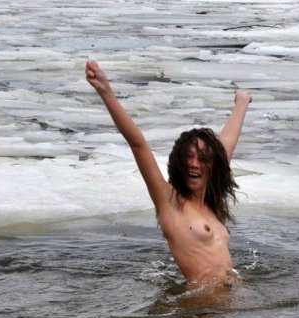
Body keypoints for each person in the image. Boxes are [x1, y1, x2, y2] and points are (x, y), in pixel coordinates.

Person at [85, 60, 252, 287]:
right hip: (200, 304)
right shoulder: (170, 202)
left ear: (212, 166)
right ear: (178, 162)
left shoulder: (210, 205)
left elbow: (225, 147)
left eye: (202, 159)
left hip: (231, 300)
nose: (194, 164)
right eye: (188, 157)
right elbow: (138, 144)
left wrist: (241, 103)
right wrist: (105, 91)